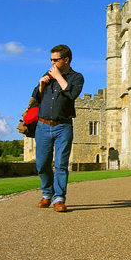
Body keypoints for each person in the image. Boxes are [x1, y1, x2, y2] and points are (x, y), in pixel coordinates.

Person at [32, 45, 84, 212]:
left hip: (63, 126)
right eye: (51, 60)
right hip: (43, 126)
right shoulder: (47, 75)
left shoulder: (76, 77)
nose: (52, 63)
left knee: (61, 164)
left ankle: (59, 198)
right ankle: (47, 194)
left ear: (66, 60)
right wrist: (41, 86)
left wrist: (59, 77)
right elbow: (35, 98)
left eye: (55, 60)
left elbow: (71, 94)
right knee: (42, 164)